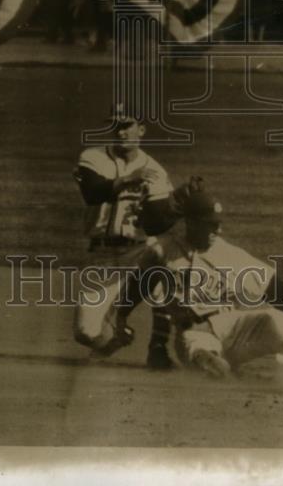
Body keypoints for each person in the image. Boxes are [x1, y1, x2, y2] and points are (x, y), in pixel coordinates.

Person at [122, 189, 283, 378]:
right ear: (191, 222)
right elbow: (138, 286)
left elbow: (273, 289)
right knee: (210, 362)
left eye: (218, 223)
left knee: (272, 318)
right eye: (211, 225)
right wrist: (121, 319)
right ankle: (219, 366)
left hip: (234, 330)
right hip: (194, 334)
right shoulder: (163, 250)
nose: (218, 229)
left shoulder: (230, 253)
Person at [72, 106, 201, 370]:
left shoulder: (154, 169)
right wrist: (129, 179)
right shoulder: (93, 157)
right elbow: (92, 193)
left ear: (141, 129)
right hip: (103, 256)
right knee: (85, 332)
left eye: (127, 125)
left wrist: (179, 204)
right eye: (116, 125)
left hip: (139, 252)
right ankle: (117, 336)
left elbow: (156, 222)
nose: (121, 130)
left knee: (163, 268)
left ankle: (159, 348)